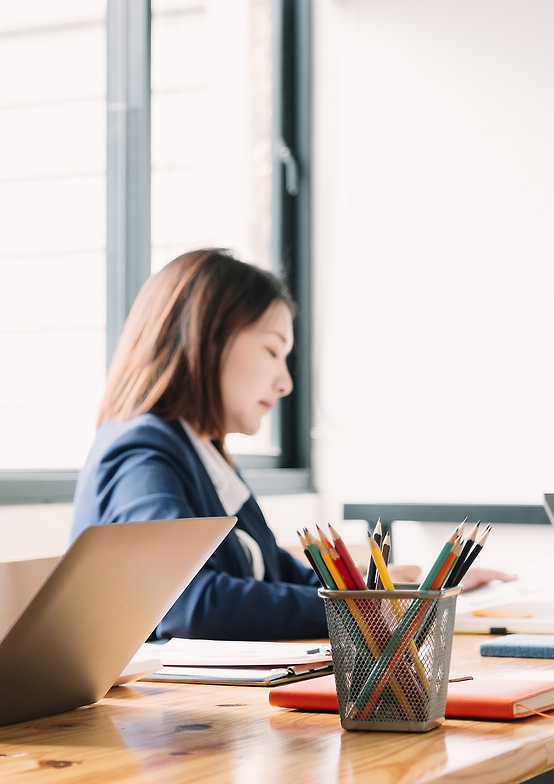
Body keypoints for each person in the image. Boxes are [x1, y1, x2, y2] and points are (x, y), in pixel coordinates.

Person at [70, 249, 513, 641]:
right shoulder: (143, 453)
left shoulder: (205, 456)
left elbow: (284, 576)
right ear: (205, 341)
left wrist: (414, 593)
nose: (284, 384)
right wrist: (377, 610)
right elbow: (188, 605)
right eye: (272, 351)